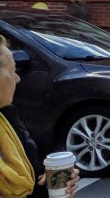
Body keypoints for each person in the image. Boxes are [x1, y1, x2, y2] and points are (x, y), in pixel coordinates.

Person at [0, 36, 79, 198]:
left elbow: (30, 178)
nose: (17, 78)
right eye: (13, 70)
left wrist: (51, 183)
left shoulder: (7, 118)